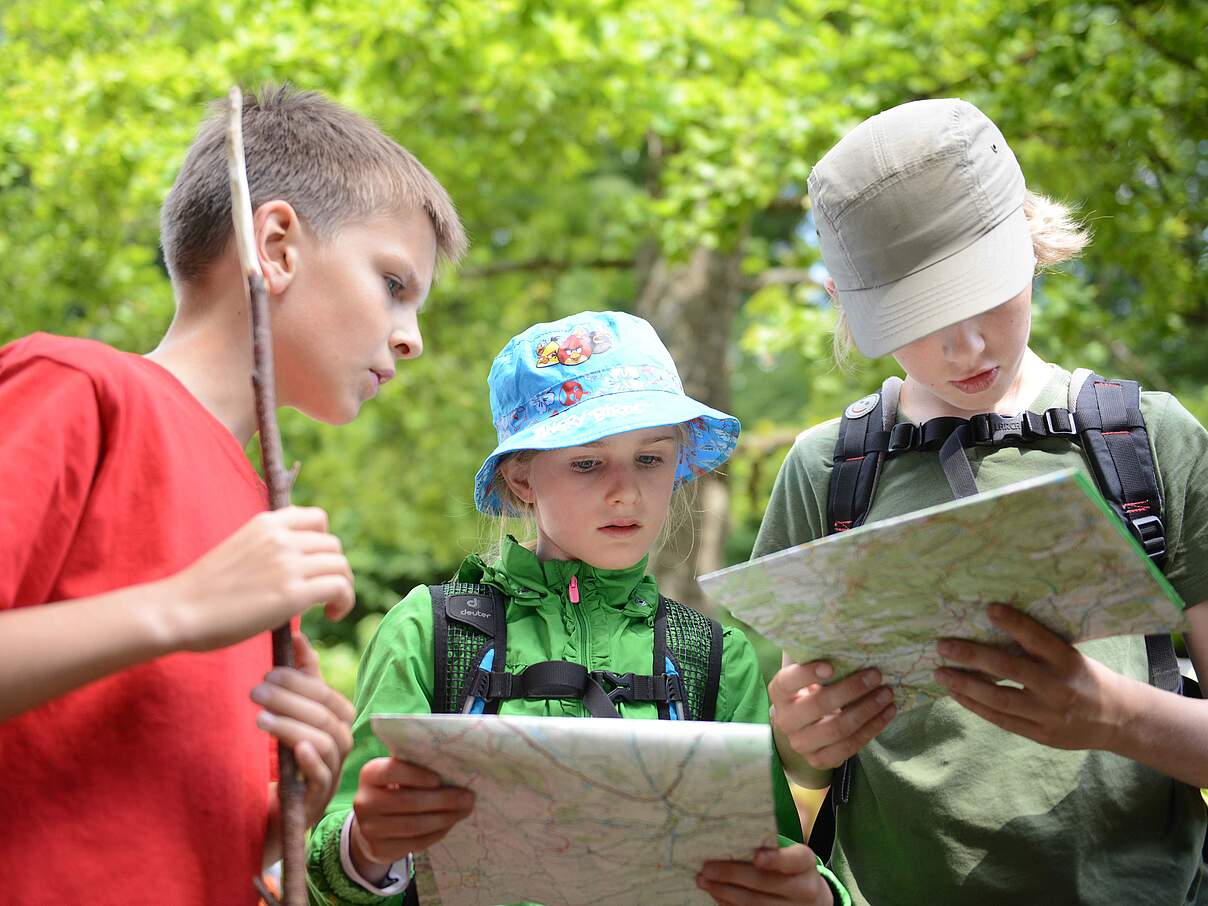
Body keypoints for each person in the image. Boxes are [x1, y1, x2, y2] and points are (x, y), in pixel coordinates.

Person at [0, 84, 467, 904]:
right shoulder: (79, 390)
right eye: (394, 284)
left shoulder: (262, 521)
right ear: (277, 245)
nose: (412, 337)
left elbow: (156, 826)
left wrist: (290, 800)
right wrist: (178, 605)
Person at [759, 98, 1208, 904]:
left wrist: (1112, 716)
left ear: (1031, 246)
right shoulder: (828, 470)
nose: (967, 348)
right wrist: (798, 741)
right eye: (924, 319)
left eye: (988, 298)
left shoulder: (1151, 441)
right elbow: (807, 758)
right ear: (848, 302)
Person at [307, 310, 849, 905]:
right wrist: (366, 847)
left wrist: (816, 895)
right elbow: (334, 871)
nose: (626, 490)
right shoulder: (431, 631)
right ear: (521, 478)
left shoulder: (715, 658)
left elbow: (768, 852)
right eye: (587, 462)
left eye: (651, 458)